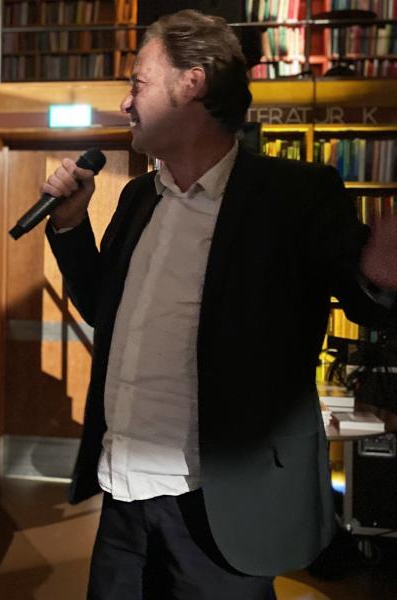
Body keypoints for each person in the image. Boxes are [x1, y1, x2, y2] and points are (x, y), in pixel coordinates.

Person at [43, 10, 397, 599]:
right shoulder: (137, 198)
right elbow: (105, 311)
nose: (126, 103)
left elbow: (366, 303)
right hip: (122, 499)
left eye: (138, 83)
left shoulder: (292, 195)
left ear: (193, 83)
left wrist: (379, 278)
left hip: (221, 508)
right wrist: (73, 226)